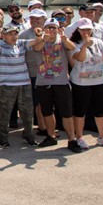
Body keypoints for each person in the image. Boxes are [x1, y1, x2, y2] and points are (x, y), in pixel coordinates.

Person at [70, 18, 103, 150]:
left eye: (89, 29)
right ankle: (79, 137)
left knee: (101, 111)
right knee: (80, 111)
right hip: (81, 82)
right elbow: (79, 58)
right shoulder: (74, 43)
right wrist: (85, 46)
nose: (86, 32)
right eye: (83, 29)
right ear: (78, 30)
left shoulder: (99, 42)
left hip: (100, 80)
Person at [30, 19, 78, 152]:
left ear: (58, 29)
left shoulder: (62, 40)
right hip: (43, 82)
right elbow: (36, 48)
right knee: (47, 111)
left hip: (61, 82)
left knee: (67, 112)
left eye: (54, 28)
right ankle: (51, 136)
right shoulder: (40, 40)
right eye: (48, 27)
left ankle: (72, 139)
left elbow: (72, 47)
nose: (51, 30)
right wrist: (43, 39)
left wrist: (64, 38)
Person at [0, 24, 39, 148]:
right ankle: (3, 137)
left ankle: (29, 135)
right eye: (10, 34)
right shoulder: (0, 44)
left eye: (15, 34)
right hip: (7, 84)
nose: (13, 36)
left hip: (24, 83)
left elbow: (37, 41)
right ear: (4, 36)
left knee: (28, 112)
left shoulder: (21, 43)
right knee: (5, 113)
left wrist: (39, 34)